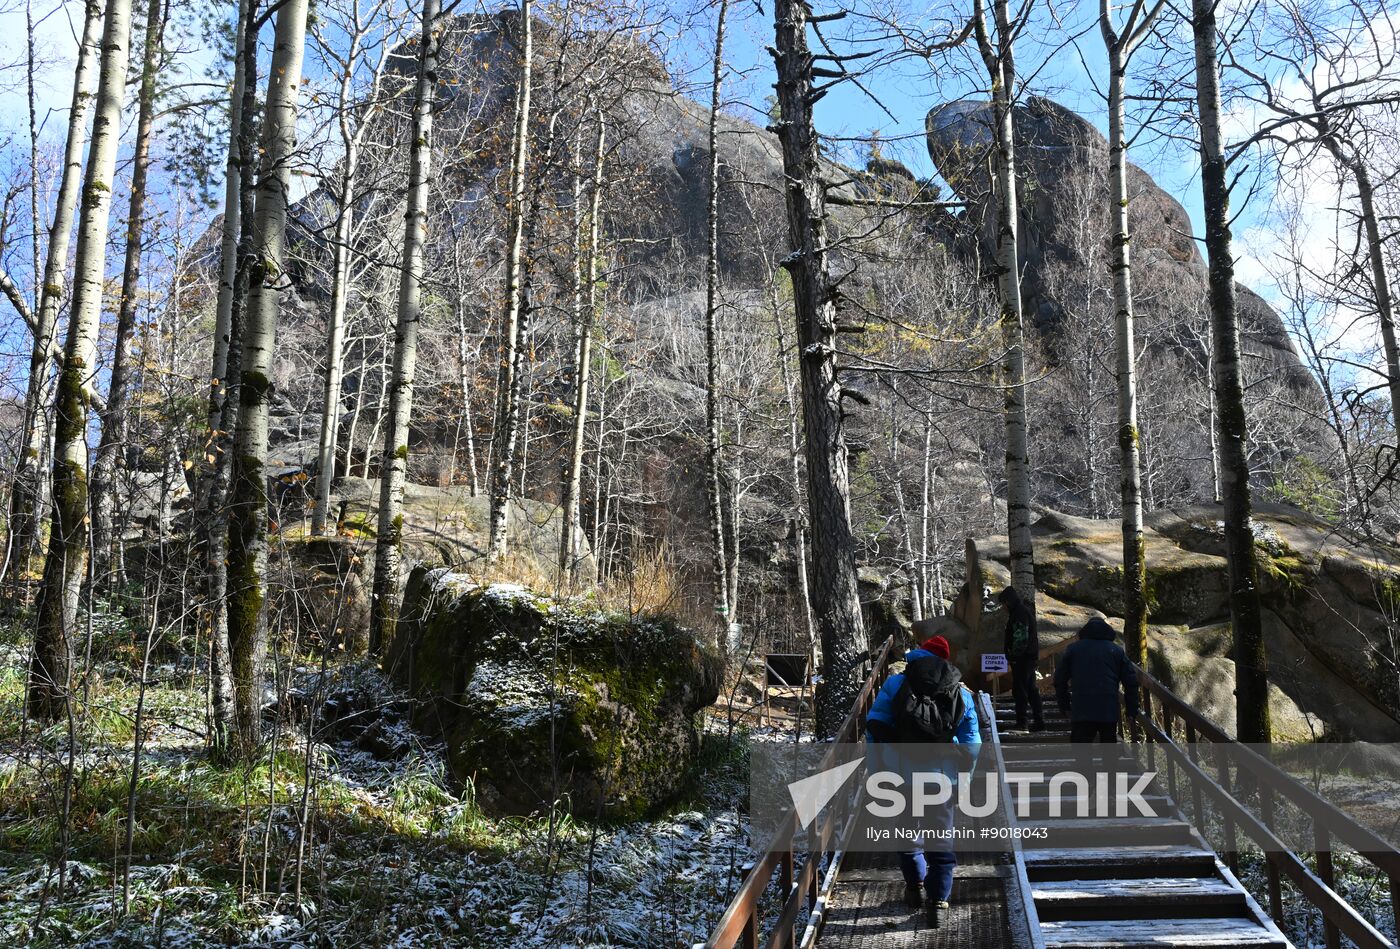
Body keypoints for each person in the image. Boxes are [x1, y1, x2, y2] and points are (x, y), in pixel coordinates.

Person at [865, 635, 981, 927]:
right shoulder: (960, 692)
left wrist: (876, 772)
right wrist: (965, 777)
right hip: (942, 780)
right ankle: (938, 903)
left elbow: (874, 729)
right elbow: (973, 743)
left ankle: (915, 887)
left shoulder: (895, 684)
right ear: (946, 660)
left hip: (902, 776)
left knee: (907, 835)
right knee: (942, 841)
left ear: (918, 655)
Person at [1053, 617, 1140, 743]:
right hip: (1108, 709)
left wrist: (1064, 706)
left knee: (1082, 754)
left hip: (1082, 709)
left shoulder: (1073, 649)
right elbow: (1131, 682)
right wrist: (1131, 710)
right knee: (1109, 753)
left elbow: (1059, 679)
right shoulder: (1116, 651)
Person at [997, 587, 1044, 731]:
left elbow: (1021, 638)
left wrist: (1013, 656)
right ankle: (1038, 722)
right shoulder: (1022, 612)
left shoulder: (1019, 614)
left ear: (1008, 602)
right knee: (1031, 691)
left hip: (1023, 660)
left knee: (1021, 691)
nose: (1003, 608)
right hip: (1028, 658)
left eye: (1003, 604)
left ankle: (1022, 722)